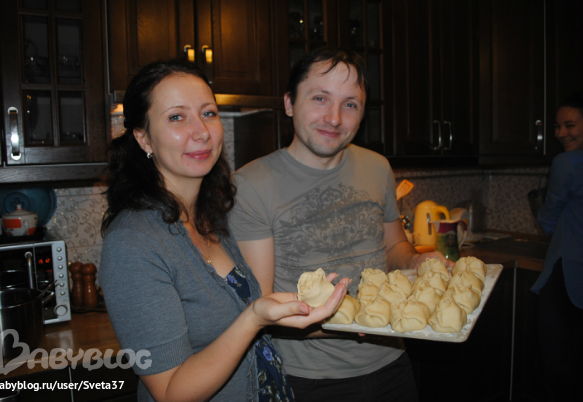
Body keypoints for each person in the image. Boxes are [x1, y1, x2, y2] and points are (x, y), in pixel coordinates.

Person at [98, 59, 350, 402]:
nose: (202, 131)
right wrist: (254, 318)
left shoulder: (210, 217)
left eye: (208, 113)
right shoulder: (132, 242)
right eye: (176, 117)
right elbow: (171, 392)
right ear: (143, 138)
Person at [228, 47, 452, 402]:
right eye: (320, 98)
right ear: (289, 103)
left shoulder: (377, 167)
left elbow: (394, 246)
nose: (334, 118)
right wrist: (357, 320)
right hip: (309, 380)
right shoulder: (251, 185)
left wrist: (416, 260)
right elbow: (263, 304)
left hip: (392, 363)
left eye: (350, 104)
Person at [531, 91, 583, 401]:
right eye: (557, 126)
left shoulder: (566, 163)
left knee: (558, 366)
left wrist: (546, 217)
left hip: (568, 276)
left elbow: (549, 219)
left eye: (570, 125)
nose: (562, 133)